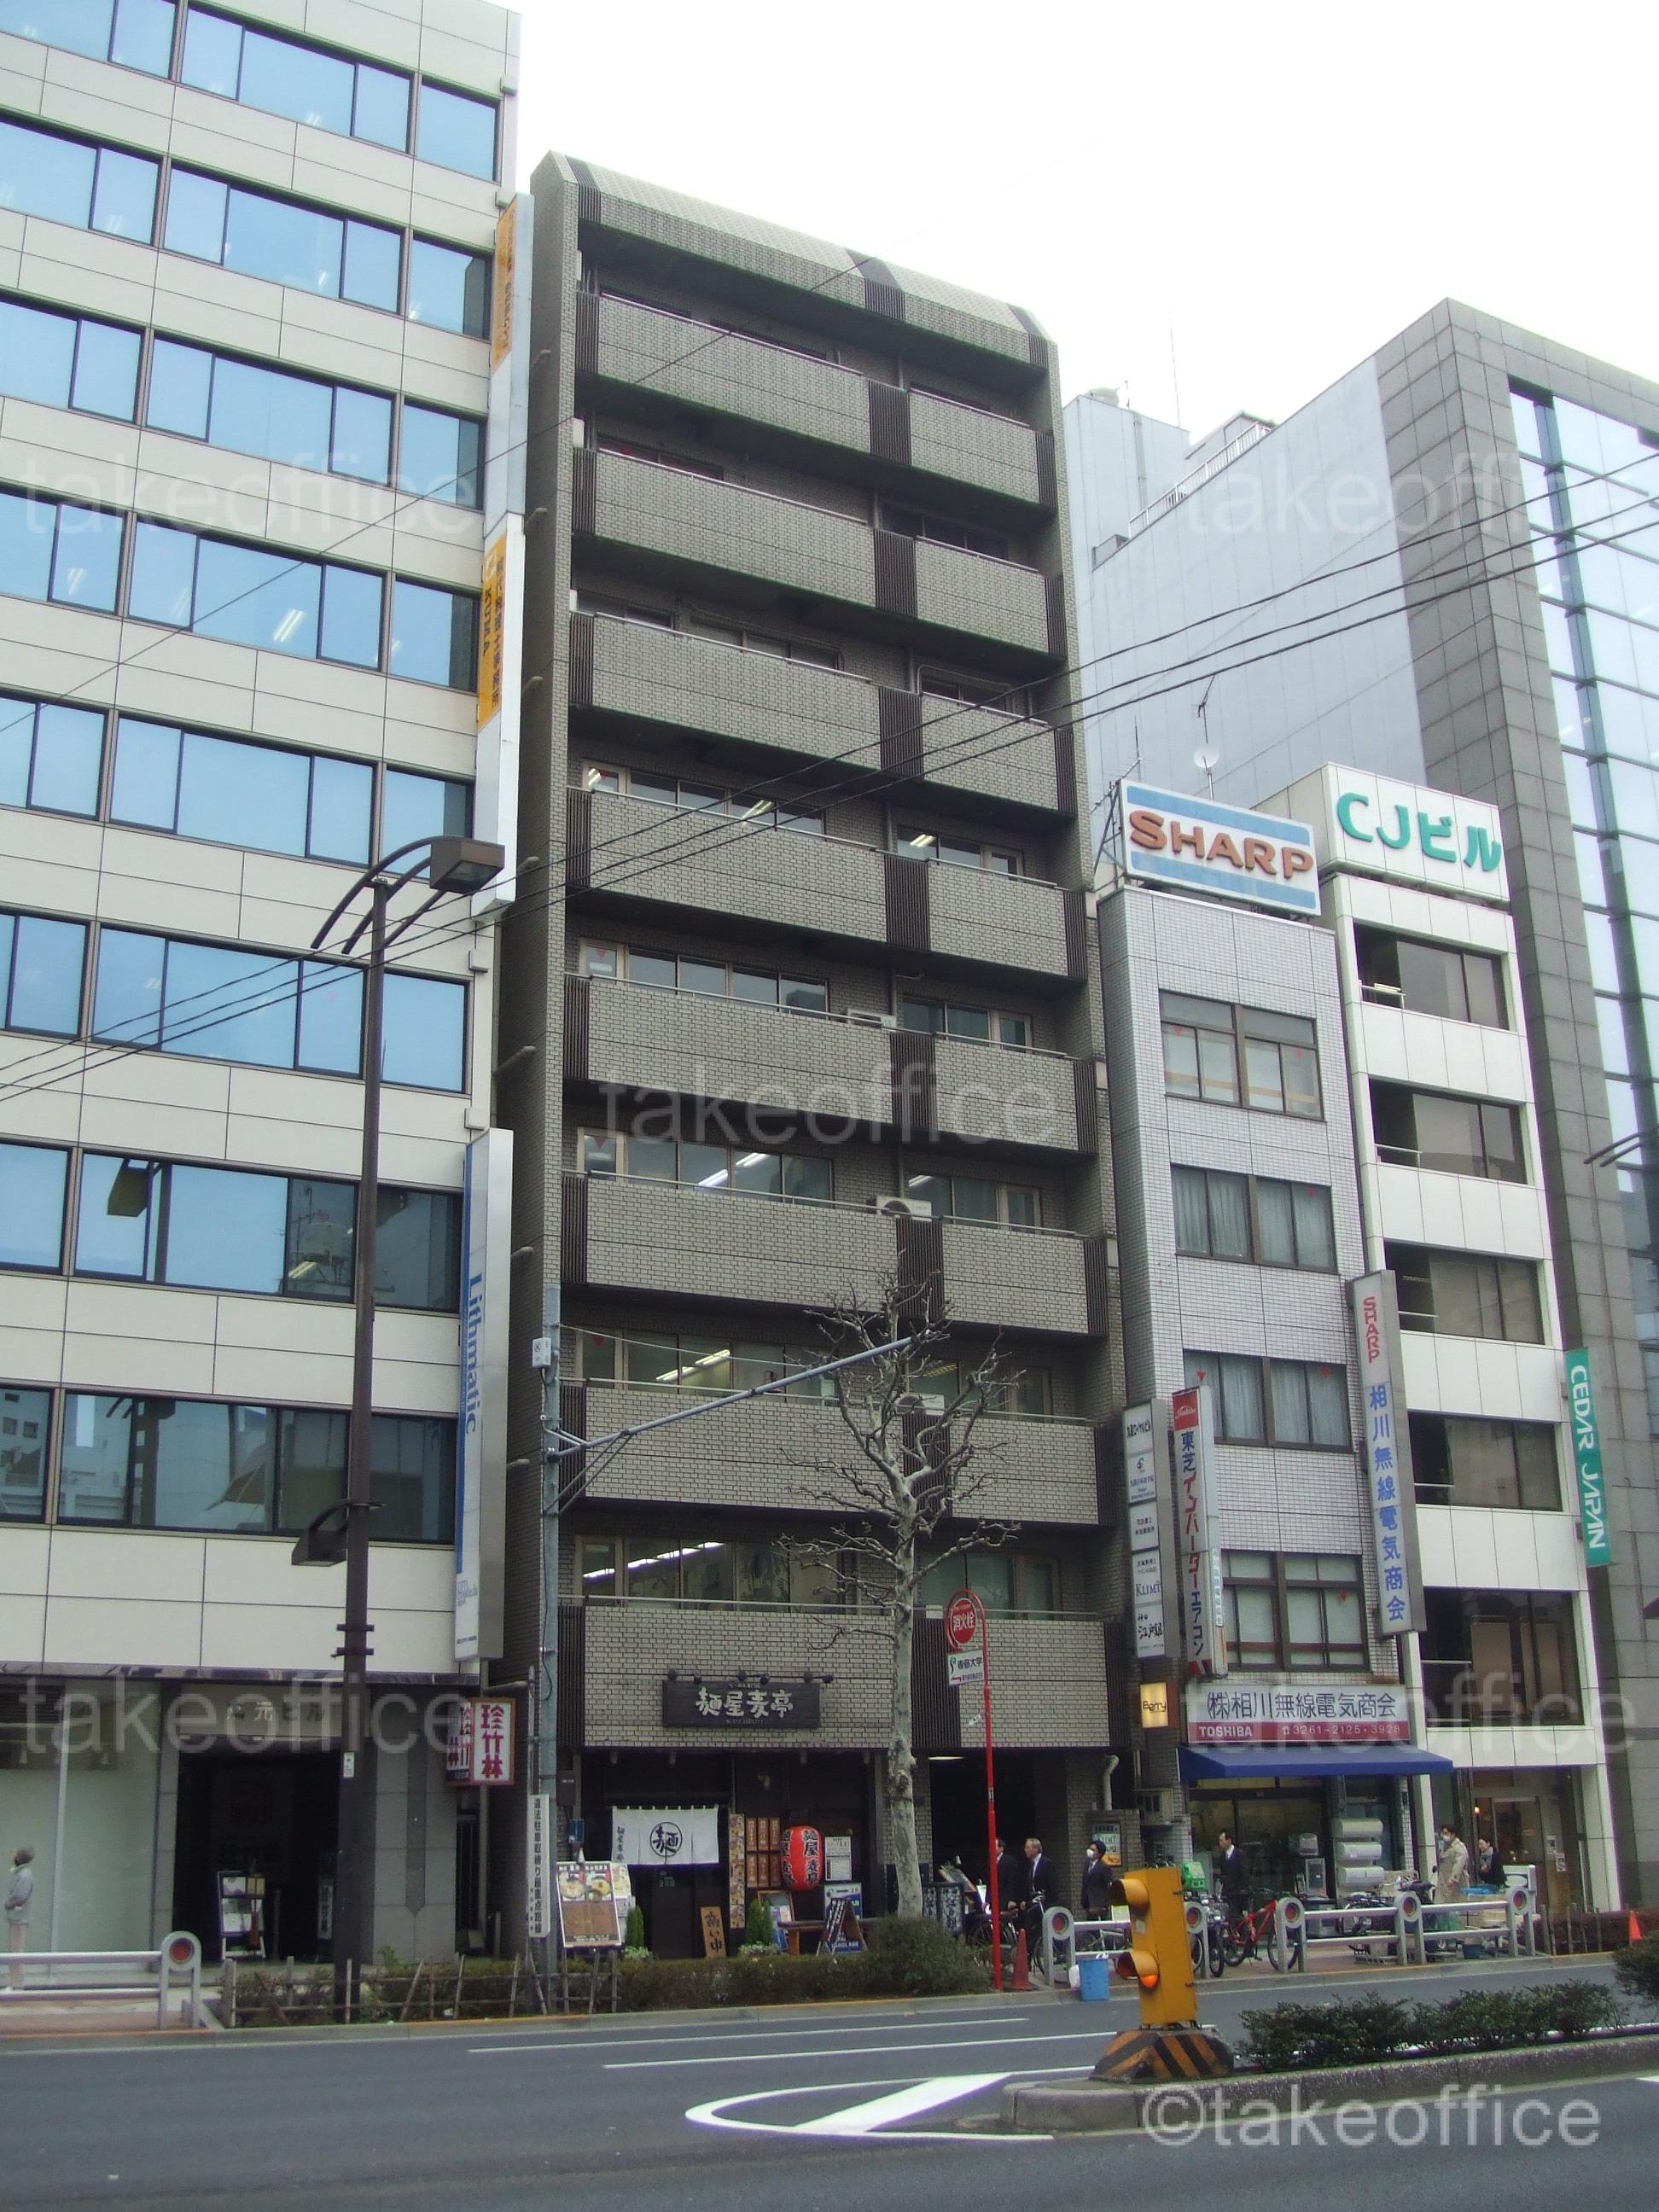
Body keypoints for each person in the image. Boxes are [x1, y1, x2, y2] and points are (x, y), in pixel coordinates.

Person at [5, 1846, 33, 1991]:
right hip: (17, 1918)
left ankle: (17, 1986)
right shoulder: (22, 1874)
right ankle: (15, 1984)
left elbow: (19, 1897)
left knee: (16, 1953)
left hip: (19, 1919)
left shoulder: (24, 1875)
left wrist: (7, 1903)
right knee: (14, 1952)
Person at [1022, 1837, 1055, 1941]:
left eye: (1028, 1847)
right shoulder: (1030, 1865)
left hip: (1044, 1903)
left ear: (1036, 1849)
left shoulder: (1046, 1864)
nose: (1025, 1850)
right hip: (1033, 1902)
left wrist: (1049, 1903)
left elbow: (1052, 1886)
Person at [1214, 1828, 1251, 1920]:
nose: (1220, 1843)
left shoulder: (1239, 1854)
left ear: (1229, 1840)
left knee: (1237, 1918)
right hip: (1227, 1893)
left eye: (1222, 1840)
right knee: (1228, 1918)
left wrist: (1242, 1889)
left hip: (1238, 1894)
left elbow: (1245, 1873)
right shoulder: (1222, 1856)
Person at [1435, 1823, 1470, 1903]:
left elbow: (1459, 1864)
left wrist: (1453, 1879)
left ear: (1453, 1834)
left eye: (1446, 1833)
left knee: (1457, 1904)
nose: (1444, 1836)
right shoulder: (1445, 1847)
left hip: (1456, 1884)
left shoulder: (1459, 1847)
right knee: (1442, 1904)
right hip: (1444, 1882)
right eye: (1443, 1833)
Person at [1080, 1841, 1114, 1917]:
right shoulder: (1086, 1865)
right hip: (1088, 1903)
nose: (1090, 1851)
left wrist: (1104, 1904)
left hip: (1099, 1905)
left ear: (1099, 1854)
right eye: (1090, 1849)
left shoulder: (1104, 1867)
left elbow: (1109, 1886)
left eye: (1093, 1850)